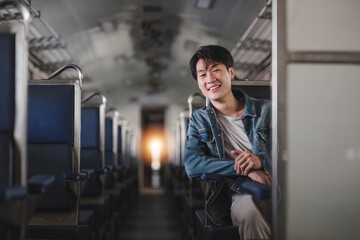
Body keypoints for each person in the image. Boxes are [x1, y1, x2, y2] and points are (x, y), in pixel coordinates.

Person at [184, 45, 272, 240]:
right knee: (252, 215)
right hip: (240, 192)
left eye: (216, 70)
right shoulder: (199, 120)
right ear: (199, 83)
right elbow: (192, 164)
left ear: (230, 73)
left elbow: (293, 152)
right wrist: (244, 168)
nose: (210, 79)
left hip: (277, 183)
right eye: (202, 74)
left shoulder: (267, 110)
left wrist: (261, 161)